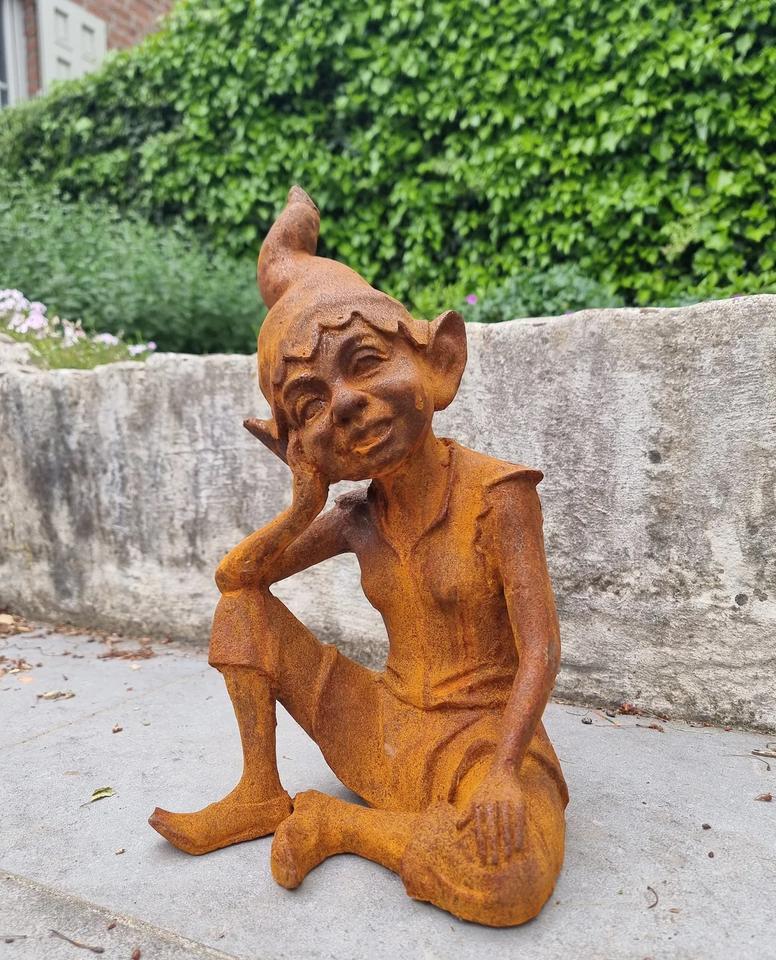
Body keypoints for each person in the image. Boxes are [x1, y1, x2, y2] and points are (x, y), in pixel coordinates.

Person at [149, 187, 568, 927]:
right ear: (298, 443)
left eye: (367, 363)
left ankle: (343, 826)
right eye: (310, 404)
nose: (344, 404)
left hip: (481, 744)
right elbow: (236, 580)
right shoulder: (355, 517)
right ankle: (259, 793)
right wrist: (303, 504)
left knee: (514, 877)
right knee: (243, 605)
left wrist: (506, 771)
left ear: (439, 362)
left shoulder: (499, 495)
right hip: (383, 730)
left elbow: (540, 648)